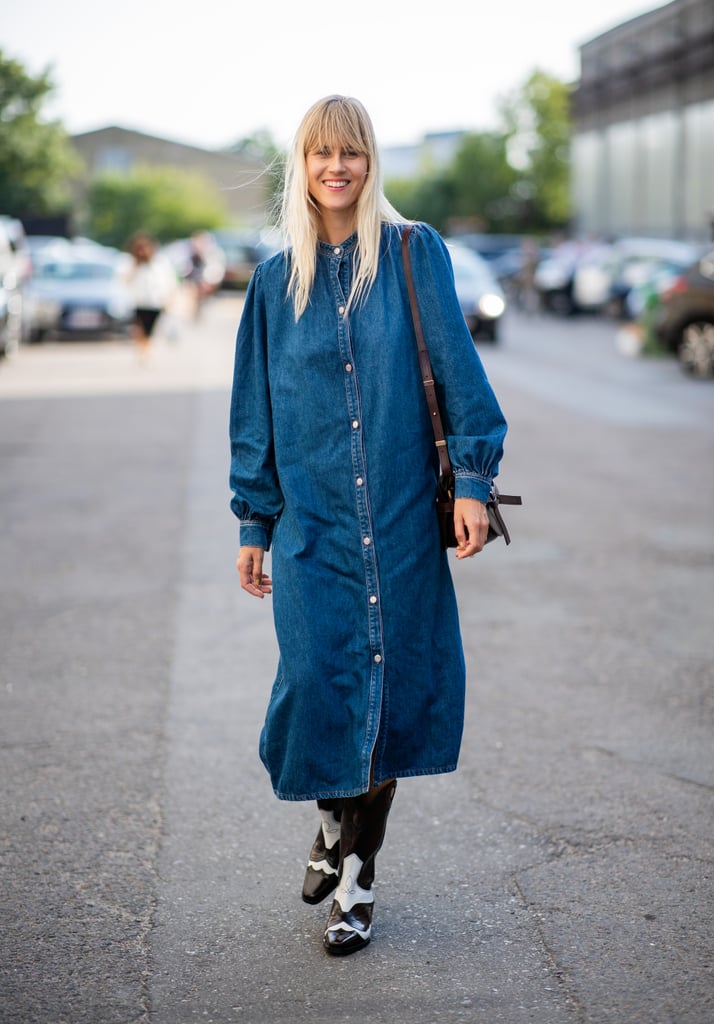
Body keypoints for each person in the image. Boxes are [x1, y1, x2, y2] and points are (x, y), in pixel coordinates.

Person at [228, 96, 508, 956]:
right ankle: (329, 821)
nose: (336, 168)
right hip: (314, 530)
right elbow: (255, 412)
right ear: (302, 168)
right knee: (319, 685)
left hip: (399, 524)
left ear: (370, 162)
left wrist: (472, 480)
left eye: (351, 153)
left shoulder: (416, 254)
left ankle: (358, 879)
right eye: (321, 155)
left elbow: (458, 371)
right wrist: (254, 519)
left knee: (388, 697)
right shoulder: (276, 283)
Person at [124, 232, 177, 360]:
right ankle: (143, 350)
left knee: (150, 330)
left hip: (155, 303)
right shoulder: (132, 263)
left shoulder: (160, 263)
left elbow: (169, 281)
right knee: (139, 329)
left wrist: (170, 298)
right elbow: (125, 281)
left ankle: (146, 350)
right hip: (138, 302)